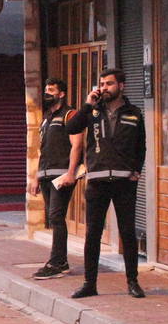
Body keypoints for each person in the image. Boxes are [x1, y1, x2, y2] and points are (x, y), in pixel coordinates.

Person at [65, 68, 146, 299]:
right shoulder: (93, 111)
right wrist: (86, 105)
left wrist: (136, 170)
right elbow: (71, 128)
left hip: (124, 181)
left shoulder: (134, 113)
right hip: (97, 180)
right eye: (101, 84)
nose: (104, 88)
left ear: (121, 86)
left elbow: (141, 145)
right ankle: (89, 284)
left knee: (127, 232)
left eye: (109, 83)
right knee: (93, 233)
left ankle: (132, 282)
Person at [28, 78, 84, 280]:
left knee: (56, 216)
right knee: (54, 218)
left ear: (62, 94)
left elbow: (77, 145)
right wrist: (36, 177)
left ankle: (58, 262)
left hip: (62, 174)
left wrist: (71, 173)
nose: (47, 93)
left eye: (51, 90)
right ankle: (60, 261)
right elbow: (41, 149)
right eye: (46, 89)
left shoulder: (70, 115)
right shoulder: (46, 118)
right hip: (45, 174)